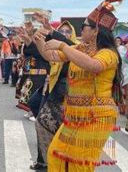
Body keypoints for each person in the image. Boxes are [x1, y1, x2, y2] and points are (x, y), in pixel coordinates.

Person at [36, 0, 128, 170]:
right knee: (56, 156)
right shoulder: (80, 49)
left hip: (96, 116)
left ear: (95, 31)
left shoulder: (109, 54)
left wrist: (63, 44)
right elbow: (50, 56)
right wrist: (38, 40)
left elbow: (94, 66)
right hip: (74, 114)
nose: (81, 30)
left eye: (84, 27)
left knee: (79, 165)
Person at [31, 19, 78, 170]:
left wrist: (53, 33)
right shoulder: (60, 47)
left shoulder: (75, 47)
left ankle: (52, 162)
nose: (64, 34)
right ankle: (44, 161)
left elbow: (69, 49)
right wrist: (37, 40)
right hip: (51, 86)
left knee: (45, 123)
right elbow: (47, 55)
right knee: (40, 117)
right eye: (62, 31)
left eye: (67, 31)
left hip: (67, 93)